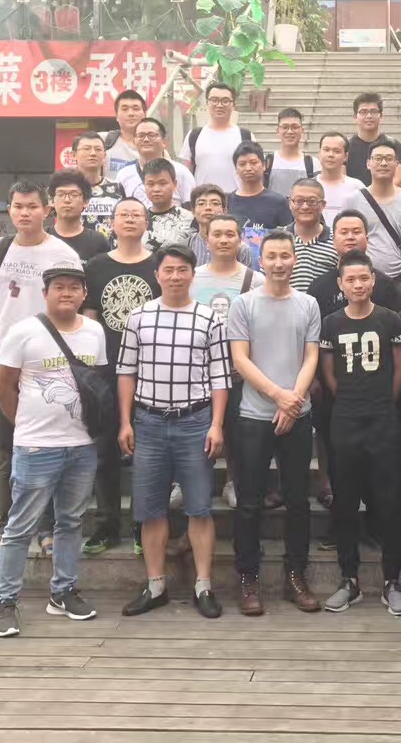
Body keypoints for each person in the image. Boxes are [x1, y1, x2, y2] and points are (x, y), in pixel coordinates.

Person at [0, 257, 107, 638]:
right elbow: (3, 387)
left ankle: (63, 592)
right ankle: (4, 601)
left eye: (74, 287)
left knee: (71, 522)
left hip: (81, 446)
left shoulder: (94, 332)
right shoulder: (23, 332)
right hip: (36, 447)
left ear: (84, 293)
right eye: (59, 287)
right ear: (45, 293)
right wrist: (25, 425)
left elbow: (94, 384)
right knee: (20, 527)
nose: (66, 293)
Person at [115, 244, 230, 620]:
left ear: (193, 275)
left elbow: (220, 376)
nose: (175, 276)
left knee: (199, 508)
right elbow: (126, 372)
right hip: (148, 423)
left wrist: (216, 424)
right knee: (150, 510)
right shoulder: (138, 317)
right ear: (157, 275)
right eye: (168, 270)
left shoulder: (209, 319)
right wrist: (125, 421)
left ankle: (203, 585)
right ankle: (155, 585)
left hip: (195, 422)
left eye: (183, 270)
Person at [0, 181, 75, 561]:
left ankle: (45, 527)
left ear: (47, 210)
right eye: (17, 206)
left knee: (45, 446)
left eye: (31, 206)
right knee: (5, 447)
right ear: (9, 210)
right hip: (1, 362)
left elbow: (71, 309)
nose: (24, 213)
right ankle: (5, 527)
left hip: (47, 363)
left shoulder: (63, 254)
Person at [225, 230, 323, 615]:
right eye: (272, 257)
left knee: (297, 500)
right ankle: (248, 577)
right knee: (249, 501)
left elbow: (311, 356)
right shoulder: (243, 304)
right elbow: (240, 359)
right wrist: (279, 396)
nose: (279, 263)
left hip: (298, 414)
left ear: (294, 259)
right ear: (260, 260)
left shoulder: (308, 303)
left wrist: (293, 400)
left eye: (285, 256)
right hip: (253, 416)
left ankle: (296, 575)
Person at [318, 249, 401, 615]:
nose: (358, 284)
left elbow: (400, 368)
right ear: (341, 284)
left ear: (373, 280)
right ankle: (349, 579)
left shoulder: (390, 320)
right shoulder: (331, 323)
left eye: (364, 278)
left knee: (388, 501)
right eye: (351, 279)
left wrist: (383, 401)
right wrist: (349, 400)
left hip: (383, 419)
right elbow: (328, 372)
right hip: (345, 420)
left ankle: (392, 580)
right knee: (345, 502)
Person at [306, 209, 401, 512]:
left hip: (377, 393)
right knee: (337, 458)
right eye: (343, 232)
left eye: (357, 231)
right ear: (334, 238)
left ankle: (376, 520)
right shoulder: (319, 286)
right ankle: (332, 497)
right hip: (336, 391)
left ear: (367, 237)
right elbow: (313, 337)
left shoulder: (385, 286)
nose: (350, 237)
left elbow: (397, 342)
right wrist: (318, 379)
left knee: (380, 475)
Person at [81, 198, 159, 555]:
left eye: (136, 215)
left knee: (148, 455)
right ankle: (107, 525)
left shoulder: (159, 264)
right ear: (111, 223)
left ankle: (144, 526)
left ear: (147, 223)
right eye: (123, 215)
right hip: (106, 370)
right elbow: (90, 319)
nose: (129, 220)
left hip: (152, 372)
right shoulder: (97, 266)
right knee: (105, 452)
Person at [191, 214, 257, 509]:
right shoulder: (192, 277)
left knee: (236, 432)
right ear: (206, 240)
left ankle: (233, 481)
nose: (223, 240)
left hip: (238, 370)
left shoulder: (255, 280)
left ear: (240, 239)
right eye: (217, 234)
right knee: (196, 430)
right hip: (197, 370)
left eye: (230, 234)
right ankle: (189, 483)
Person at [345, 142, 401, 308]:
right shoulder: (352, 200)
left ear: (396, 164)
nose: (383, 163)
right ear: (368, 163)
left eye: (389, 159)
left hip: (400, 280)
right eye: (378, 158)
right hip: (363, 281)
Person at [228, 140, 294, 266]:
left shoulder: (279, 202)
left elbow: (287, 240)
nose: (248, 168)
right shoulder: (227, 201)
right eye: (242, 164)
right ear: (236, 169)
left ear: (264, 165)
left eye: (253, 163)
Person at [178, 81, 253, 191]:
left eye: (225, 101)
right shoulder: (194, 136)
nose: (219, 105)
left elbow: (254, 172)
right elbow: (186, 174)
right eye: (214, 100)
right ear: (207, 103)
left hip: (237, 198)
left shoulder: (246, 136)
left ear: (233, 105)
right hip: (203, 198)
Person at [116, 117, 195, 209]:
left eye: (152, 135)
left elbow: (191, 209)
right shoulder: (124, 175)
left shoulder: (181, 172)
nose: (146, 139)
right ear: (134, 142)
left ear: (164, 142)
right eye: (141, 136)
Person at [284, 178, 340, 293]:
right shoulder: (277, 238)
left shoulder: (336, 240)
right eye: (299, 201)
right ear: (290, 203)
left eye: (312, 201)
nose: (305, 207)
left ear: (323, 205)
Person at [345, 91, 401, 187]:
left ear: (381, 116)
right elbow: (342, 180)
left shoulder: (394, 145)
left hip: (386, 195)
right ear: (355, 117)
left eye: (373, 112)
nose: (369, 116)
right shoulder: (346, 146)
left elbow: (397, 181)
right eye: (363, 112)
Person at [47, 169, 110, 261]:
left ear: (85, 201)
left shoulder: (98, 241)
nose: (67, 200)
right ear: (52, 200)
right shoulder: (42, 237)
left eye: (74, 194)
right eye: (61, 194)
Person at [73, 132, 124, 243]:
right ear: (74, 155)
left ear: (104, 156)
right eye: (86, 149)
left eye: (98, 149)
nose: (92, 153)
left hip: (110, 250)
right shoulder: (63, 188)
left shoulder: (117, 188)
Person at [187, 184, 252, 268]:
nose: (208, 208)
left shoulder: (241, 248)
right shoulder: (186, 246)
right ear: (193, 211)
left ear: (224, 211)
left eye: (215, 203)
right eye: (201, 203)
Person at [142, 159, 196, 251]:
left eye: (162, 183)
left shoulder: (189, 219)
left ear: (174, 185)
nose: (156, 189)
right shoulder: (139, 219)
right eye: (150, 184)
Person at [314, 132, 366, 227]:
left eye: (337, 151)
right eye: (326, 150)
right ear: (319, 153)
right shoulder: (310, 186)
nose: (330, 155)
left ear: (345, 156)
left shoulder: (357, 187)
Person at [265, 107, 316, 196]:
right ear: (278, 131)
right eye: (285, 127)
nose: (289, 131)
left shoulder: (313, 163)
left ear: (302, 131)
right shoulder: (267, 162)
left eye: (294, 127)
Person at [104, 89, 148, 176]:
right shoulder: (103, 140)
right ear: (116, 116)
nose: (130, 113)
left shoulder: (155, 147)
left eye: (136, 109)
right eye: (125, 109)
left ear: (144, 114)